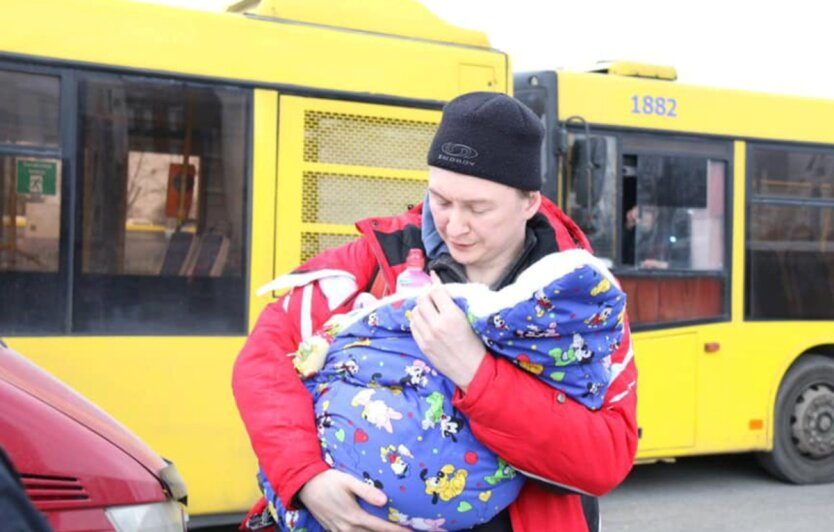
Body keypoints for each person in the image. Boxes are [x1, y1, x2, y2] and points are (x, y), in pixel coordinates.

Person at [233, 92, 638, 532]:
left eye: (478, 208)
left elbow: (606, 459)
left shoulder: (581, 304)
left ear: (530, 203)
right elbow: (264, 360)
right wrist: (305, 476)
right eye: (441, 201)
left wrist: (477, 374)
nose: (455, 226)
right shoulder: (374, 260)